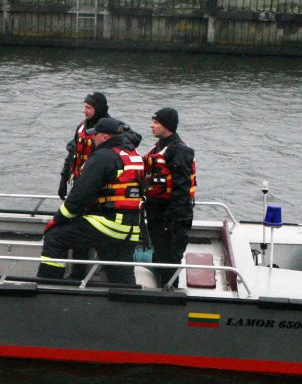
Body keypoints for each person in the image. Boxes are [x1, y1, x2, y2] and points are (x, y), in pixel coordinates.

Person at [37, 117, 144, 284]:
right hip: (130, 228)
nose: (92, 139)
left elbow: (79, 197)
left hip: (108, 224)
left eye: (95, 135)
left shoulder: (103, 157)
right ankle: (129, 302)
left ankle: (47, 287)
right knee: (122, 278)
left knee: (55, 237)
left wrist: (56, 220)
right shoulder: (133, 155)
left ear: (105, 137)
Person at [143, 107, 196, 285]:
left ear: (167, 126)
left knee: (169, 258)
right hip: (156, 210)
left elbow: (181, 189)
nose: (152, 126)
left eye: (156, 122)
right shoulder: (159, 147)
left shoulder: (179, 150)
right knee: (159, 253)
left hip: (172, 215)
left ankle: (170, 292)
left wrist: (170, 219)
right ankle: (158, 286)